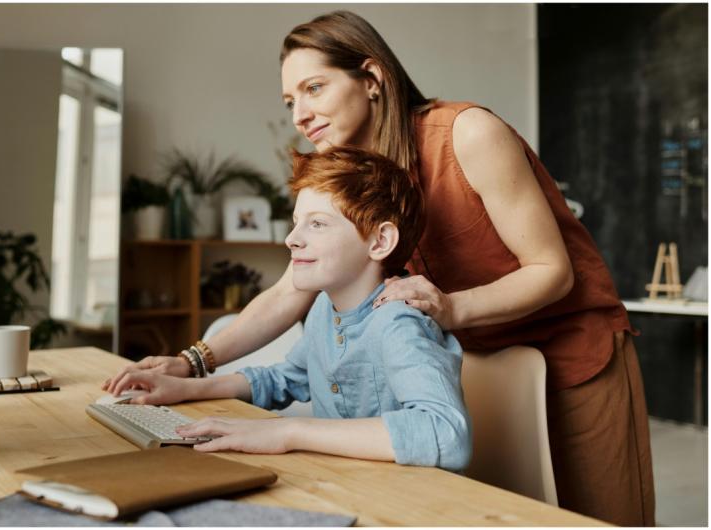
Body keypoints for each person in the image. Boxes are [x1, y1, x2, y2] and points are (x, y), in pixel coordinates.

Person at [106, 10, 654, 526]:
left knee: (599, 519)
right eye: (289, 100)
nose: (299, 114)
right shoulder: (349, 171)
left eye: (314, 88)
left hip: (574, 354)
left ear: (371, 77)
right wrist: (191, 362)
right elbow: (288, 291)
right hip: (477, 359)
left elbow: (551, 270)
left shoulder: (467, 133)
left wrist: (450, 306)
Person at [107, 146, 472, 470]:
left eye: (317, 224)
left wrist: (289, 431)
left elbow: (445, 432)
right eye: (297, 222)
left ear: (380, 241)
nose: (292, 239)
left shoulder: (399, 322)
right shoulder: (323, 311)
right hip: (341, 483)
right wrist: (186, 387)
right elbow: (286, 379)